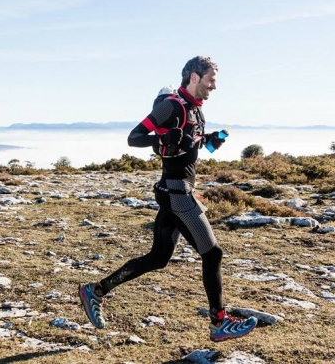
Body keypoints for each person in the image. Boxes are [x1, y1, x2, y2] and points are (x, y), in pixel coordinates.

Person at [78, 56, 257, 342]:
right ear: (194, 77)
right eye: (211, 79)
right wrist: (160, 141)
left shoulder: (196, 111)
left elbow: (187, 147)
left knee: (158, 258)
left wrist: (209, 141)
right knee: (213, 253)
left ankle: (95, 291)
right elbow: (134, 137)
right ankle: (219, 322)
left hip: (175, 191)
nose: (215, 86)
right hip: (177, 194)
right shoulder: (171, 106)